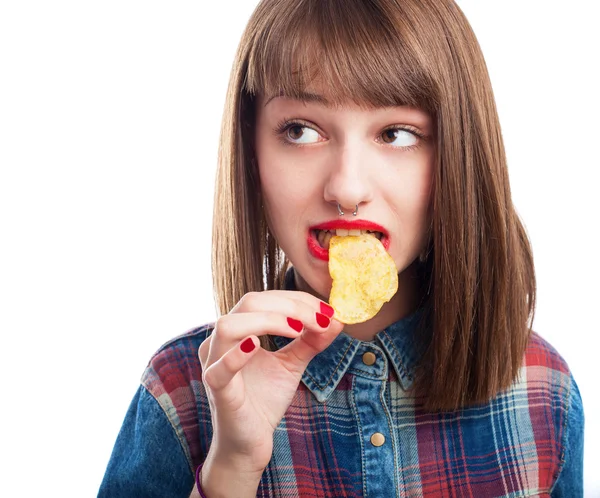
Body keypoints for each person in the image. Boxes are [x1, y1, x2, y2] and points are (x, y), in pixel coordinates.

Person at [98, 0, 585, 496]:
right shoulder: (184, 392)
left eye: (396, 134)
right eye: (301, 131)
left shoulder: (542, 391)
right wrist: (232, 471)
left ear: (457, 153)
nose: (347, 188)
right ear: (252, 152)